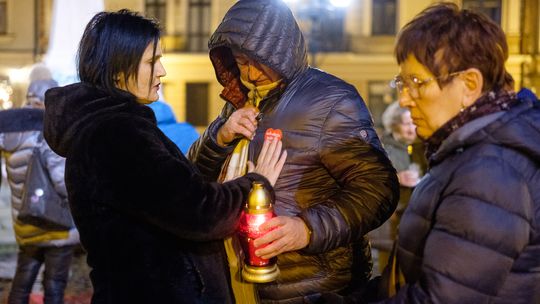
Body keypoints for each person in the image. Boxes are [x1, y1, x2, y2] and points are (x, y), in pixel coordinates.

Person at [42, 9, 286, 304]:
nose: (162, 71)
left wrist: (219, 139)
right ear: (119, 70)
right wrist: (256, 183)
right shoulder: (117, 135)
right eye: (152, 61)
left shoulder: (108, 128)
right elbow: (200, 213)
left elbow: (173, 193)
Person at [188, 0, 399, 302]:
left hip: (310, 286)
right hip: (238, 282)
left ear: (278, 50)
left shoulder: (329, 99)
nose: (248, 72)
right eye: (239, 60)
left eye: (255, 60)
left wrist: (306, 229)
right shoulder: (239, 100)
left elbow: (378, 188)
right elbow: (194, 179)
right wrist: (218, 136)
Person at [374, 3, 540, 303]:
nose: (404, 99)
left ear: (469, 85)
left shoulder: (491, 172)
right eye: (401, 82)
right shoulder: (464, 153)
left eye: (416, 83)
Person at [0, 75, 79, 304]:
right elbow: (62, 183)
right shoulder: (48, 134)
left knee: (22, 282)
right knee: (54, 287)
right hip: (57, 224)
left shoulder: (11, 133)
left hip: (26, 220)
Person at [368, 102, 426, 274]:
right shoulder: (381, 148)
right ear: (394, 124)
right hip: (388, 222)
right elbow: (368, 180)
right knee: (383, 268)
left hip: (410, 219)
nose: (412, 129)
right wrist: (397, 178)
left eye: (414, 123)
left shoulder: (420, 148)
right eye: (406, 124)